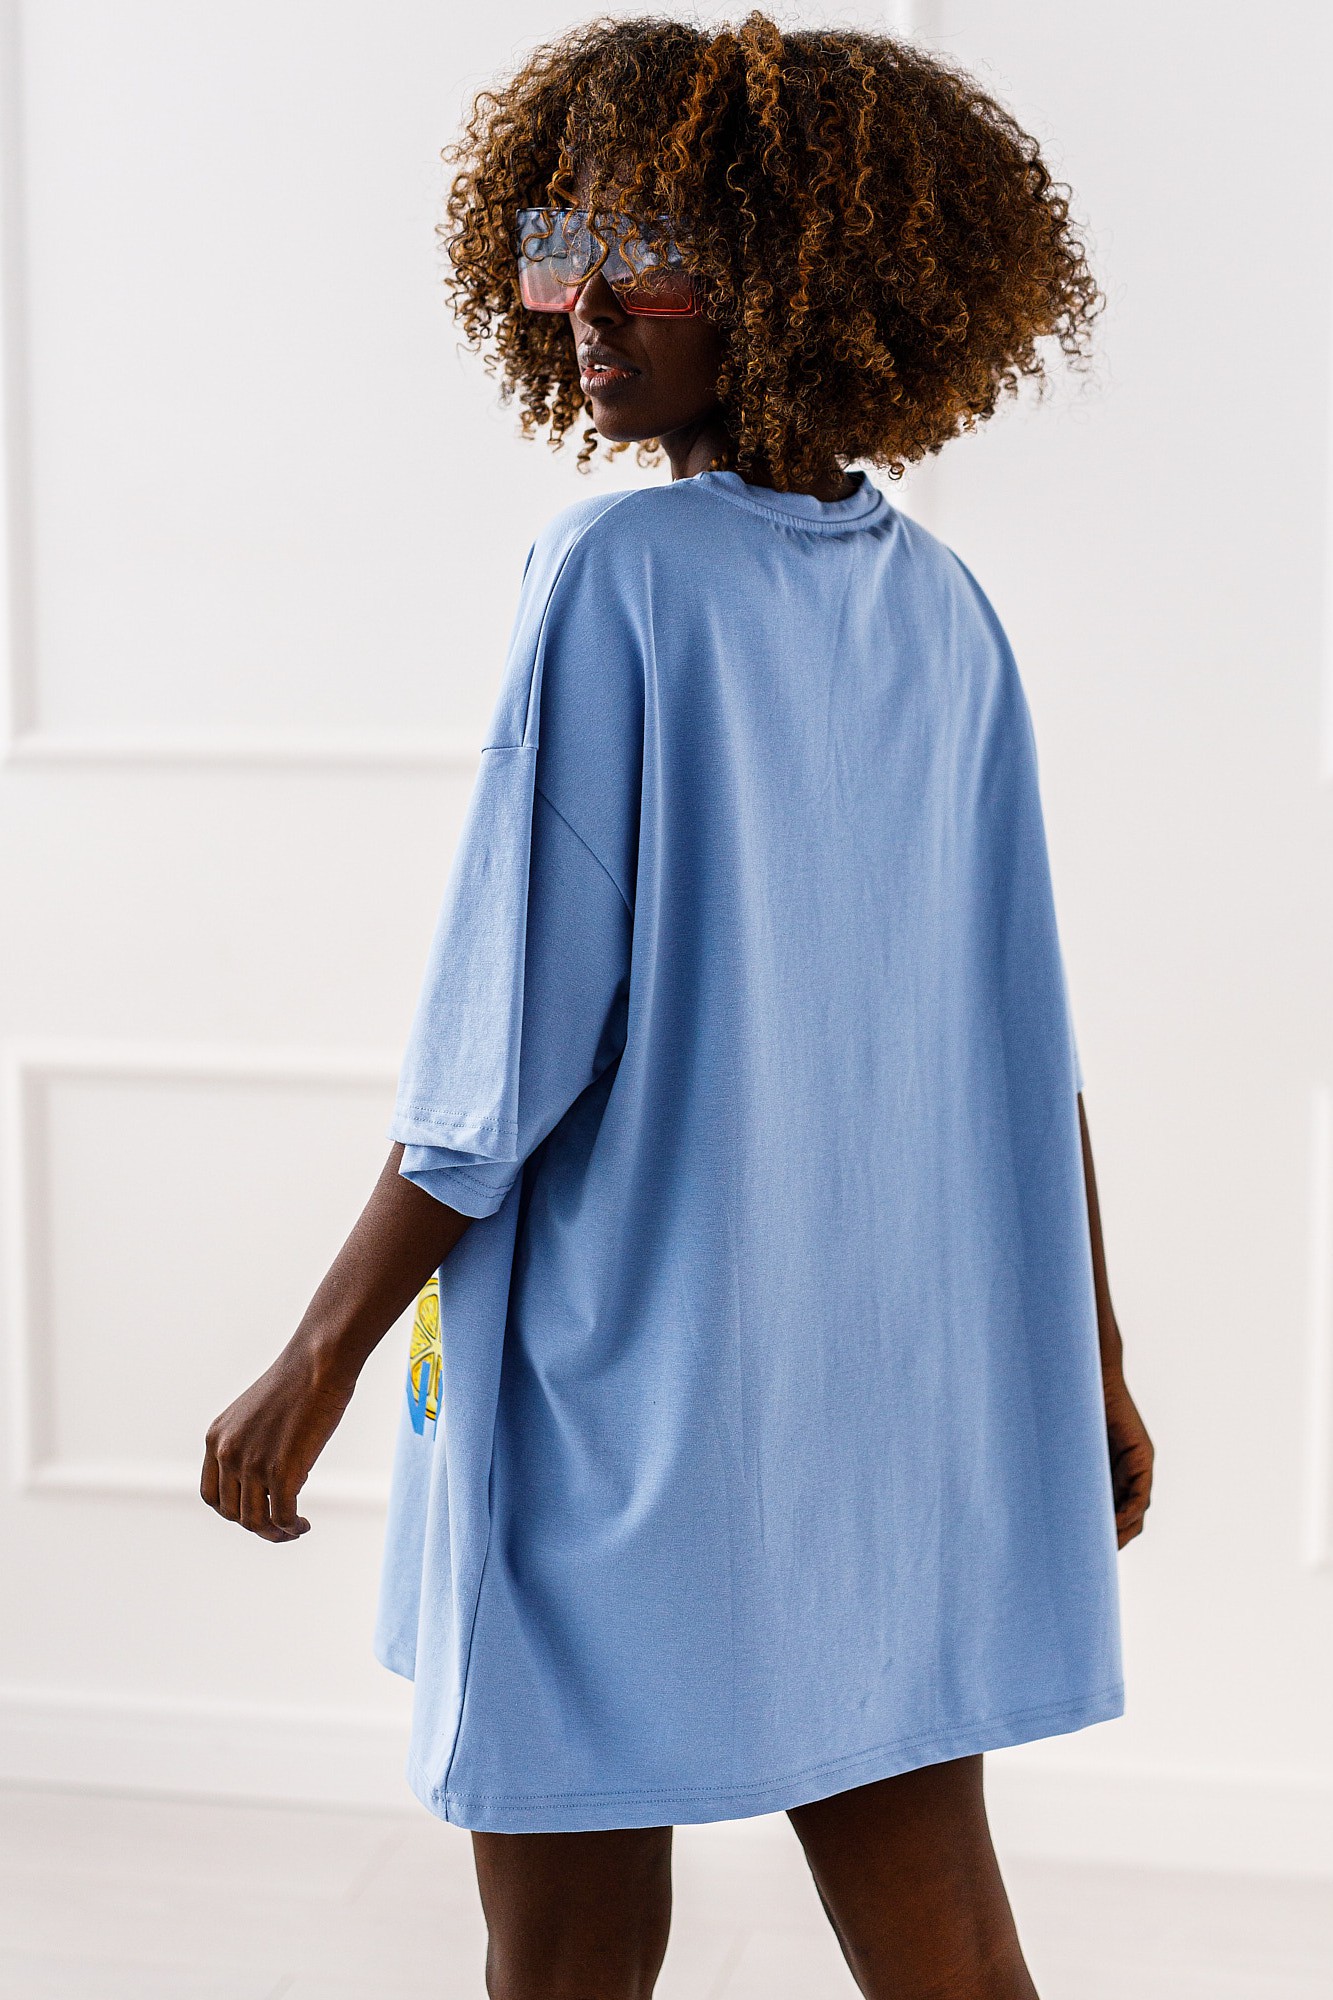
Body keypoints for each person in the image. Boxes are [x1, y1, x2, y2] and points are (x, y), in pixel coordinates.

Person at [201, 13, 1154, 1996]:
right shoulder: (939, 605)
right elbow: (1020, 1046)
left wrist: (317, 1354)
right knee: (941, 1922)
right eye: (558, 245)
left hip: (621, 1384)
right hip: (870, 1396)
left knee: (561, 1947)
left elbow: (499, 1062)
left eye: (636, 254)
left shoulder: (617, 571)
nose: (574, 301)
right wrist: (1093, 1360)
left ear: (791, 280)